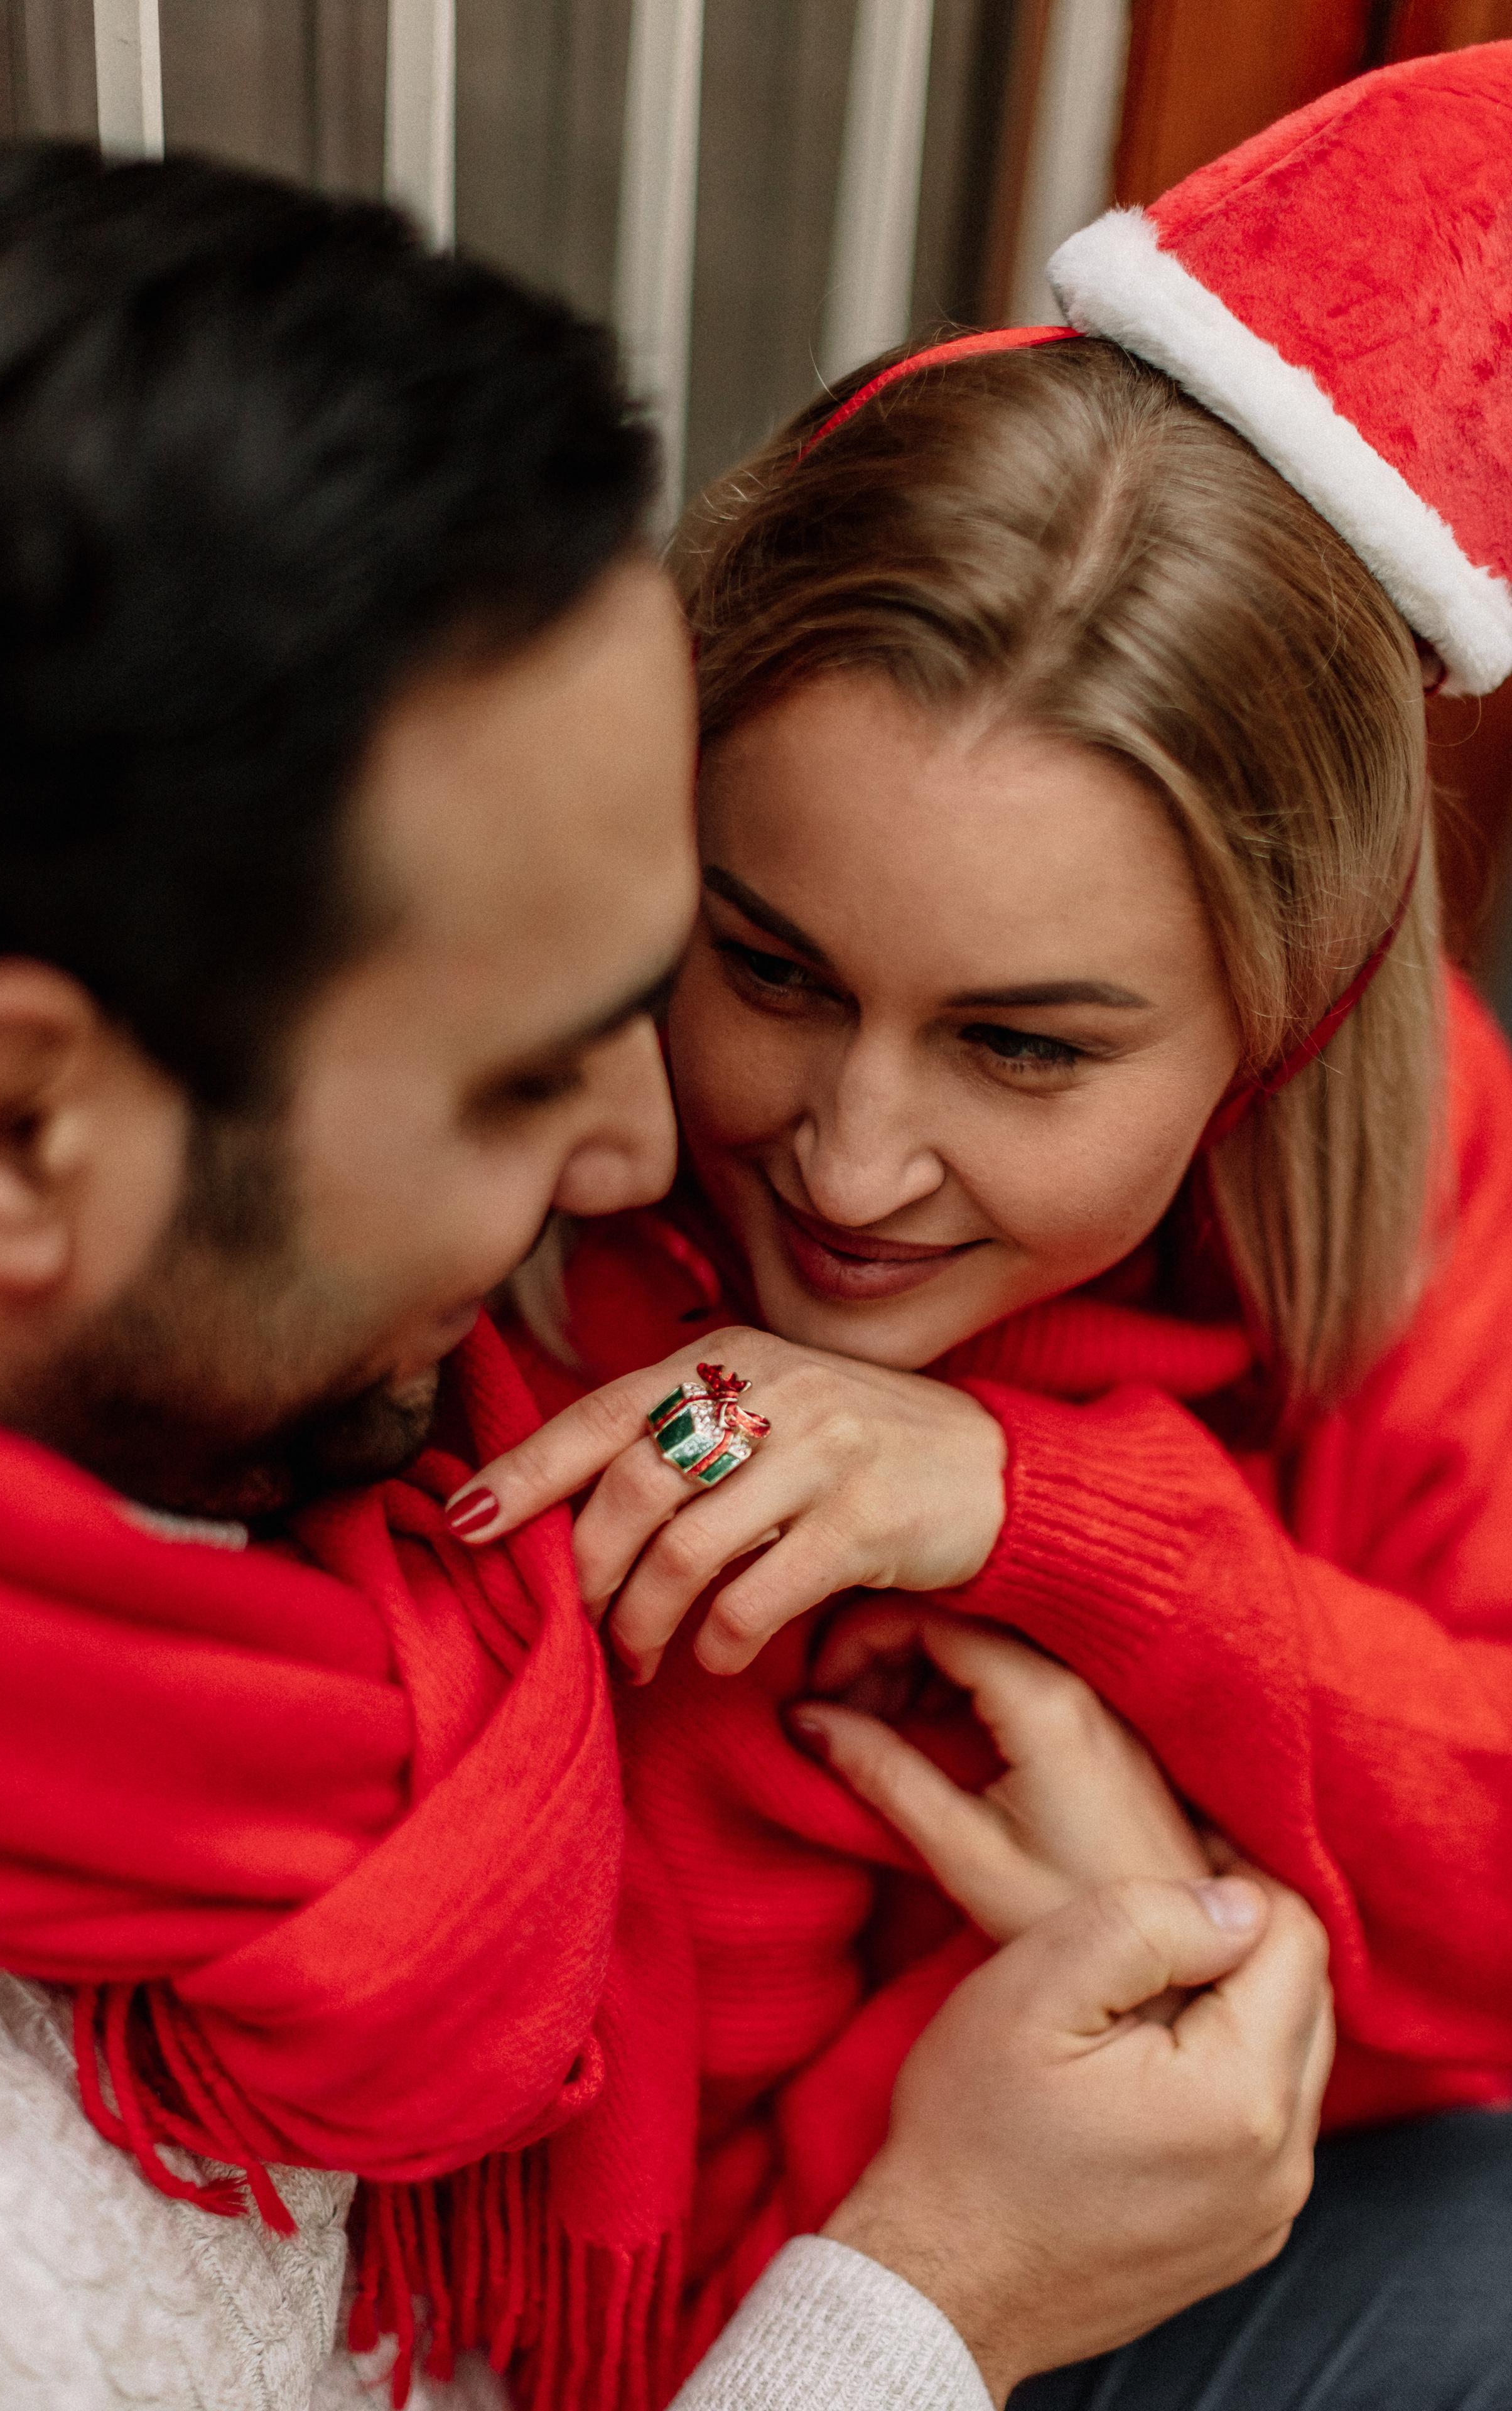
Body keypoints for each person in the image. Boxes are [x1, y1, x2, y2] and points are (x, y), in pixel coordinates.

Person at [0, 138, 1331, 2411]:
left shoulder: (259, 1453)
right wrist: (935, 2289)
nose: (657, 1153)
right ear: (6, 1138)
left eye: (648, 986)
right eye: (514, 1081)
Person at [455, 43, 1512, 2408]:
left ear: (1289, 1020)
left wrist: (1067, 1528)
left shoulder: (1430, 1154)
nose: (844, 1158)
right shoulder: (507, 1130)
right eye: (771, 968)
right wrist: (1190, 1925)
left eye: (1026, 1050)